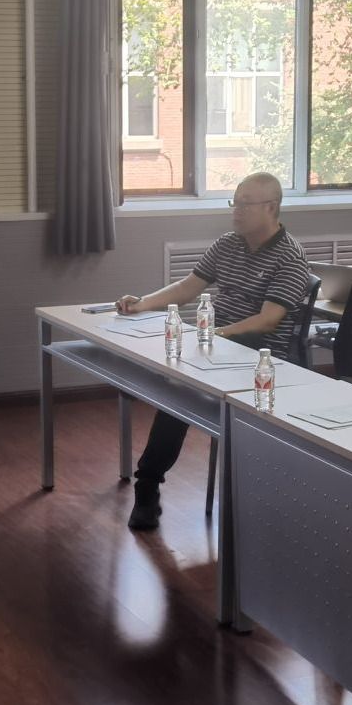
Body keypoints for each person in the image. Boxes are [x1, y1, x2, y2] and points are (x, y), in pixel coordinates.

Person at [113, 172, 312, 531]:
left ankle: (160, 485)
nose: (236, 211)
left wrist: (216, 335)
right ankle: (147, 486)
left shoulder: (290, 257)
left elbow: (268, 320)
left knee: (181, 384)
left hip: (260, 359)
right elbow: (188, 287)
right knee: (176, 389)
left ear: (271, 208)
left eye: (245, 204)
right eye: (234, 202)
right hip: (220, 348)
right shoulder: (228, 244)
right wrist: (142, 303)